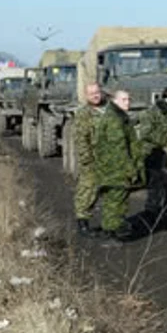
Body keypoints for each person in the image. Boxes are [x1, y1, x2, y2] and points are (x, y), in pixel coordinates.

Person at [94, 90, 138, 244]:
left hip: (113, 167)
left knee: (114, 200)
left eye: (129, 99)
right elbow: (119, 148)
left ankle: (111, 230)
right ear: (115, 101)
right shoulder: (114, 120)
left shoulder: (119, 116)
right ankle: (111, 234)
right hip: (115, 168)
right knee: (115, 201)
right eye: (124, 100)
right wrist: (130, 169)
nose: (128, 102)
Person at [137, 85, 167, 221]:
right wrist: (165, 141)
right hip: (156, 153)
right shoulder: (153, 112)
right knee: (156, 185)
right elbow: (145, 133)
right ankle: (151, 213)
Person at [73, 82, 104, 237]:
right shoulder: (83, 114)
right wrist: (86, 158)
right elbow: (80, 138)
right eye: (92, 93)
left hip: (106, 159)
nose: (95, 95)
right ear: (86, 96)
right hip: (91, 159)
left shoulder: (105, 110)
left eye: (97, 92)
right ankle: (82, 223)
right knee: (88, 189)